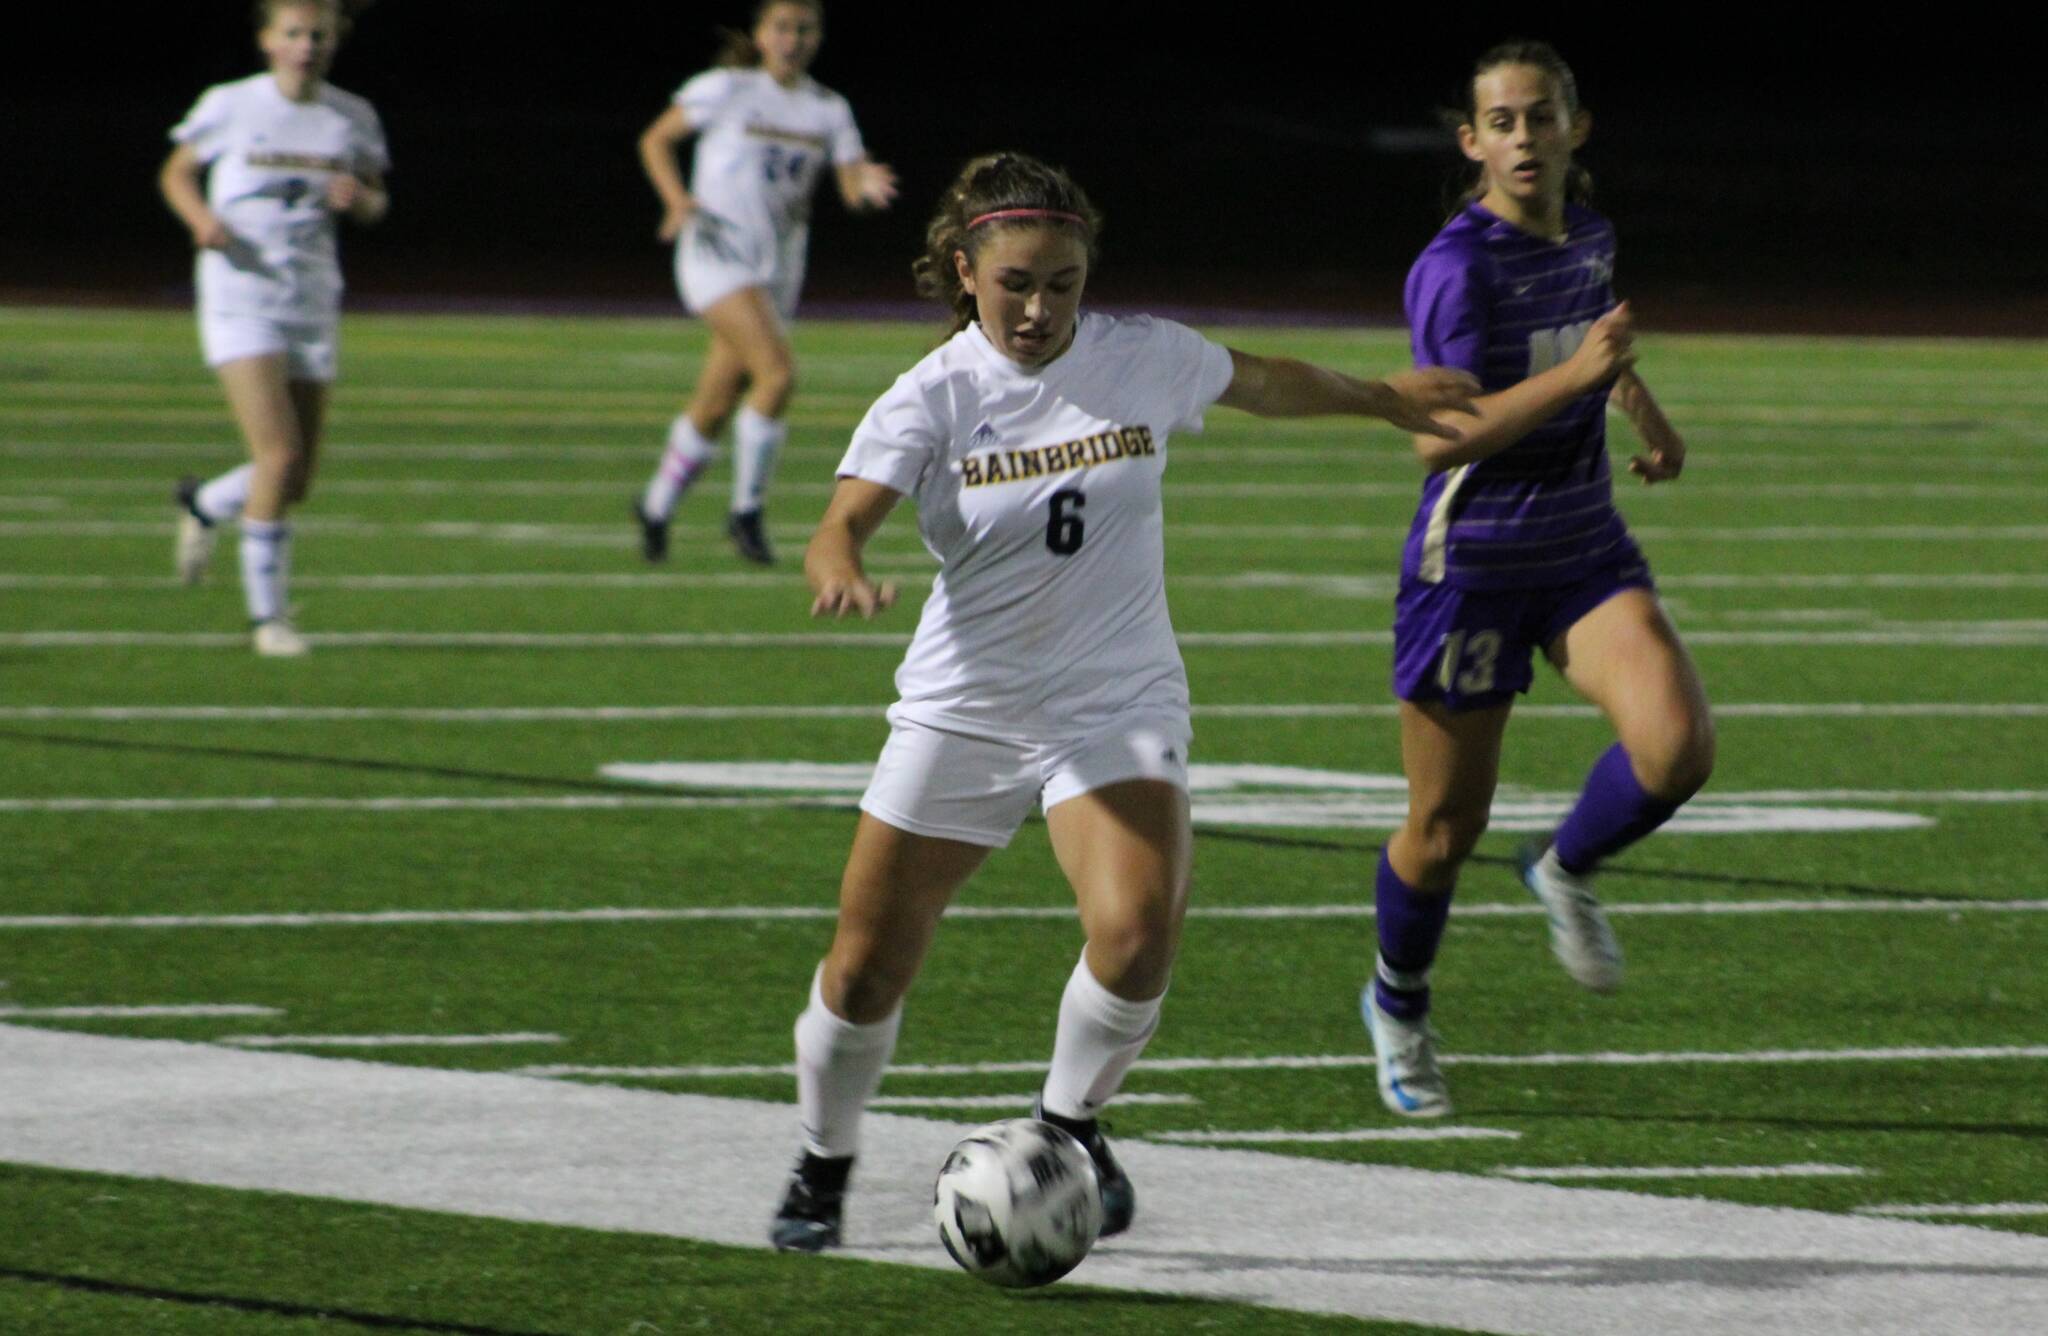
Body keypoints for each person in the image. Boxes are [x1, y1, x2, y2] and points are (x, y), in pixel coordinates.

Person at [768, 151, 1480, 1252]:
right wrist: (833, 558)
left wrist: (1383, 400)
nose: (1040, 305)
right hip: (968, 706)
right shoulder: (935, 394)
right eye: (1015, 283)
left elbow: (1265, 381)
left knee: (1138, 931)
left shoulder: (1139, 356)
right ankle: (822, 1161)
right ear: (964, 271)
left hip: (1115, 695)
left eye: (1062, 281)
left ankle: (1067, 1129)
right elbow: (843, 513)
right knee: (864, 965)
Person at [1361, 40, 1716, 1119]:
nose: (1524, 137)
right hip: (1468, 569)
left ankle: (1560, 865)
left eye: (1541, 117)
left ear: (1574, 128)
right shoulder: (1455, 267)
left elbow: (1597, 342)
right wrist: (1577, 376)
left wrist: (1642, 414)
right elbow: (1440, 437)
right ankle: (1399, 1005)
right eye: (1502, 122)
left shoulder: (1589, 234)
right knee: (1439, 829)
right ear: (1471, 142)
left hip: (1579, 548)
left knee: (1676, 747)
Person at [632, 0, 897, 566]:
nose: (793, 39)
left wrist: (864, 183)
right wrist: (678, 200)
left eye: (805, 29)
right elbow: (655, 140)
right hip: (717, 255)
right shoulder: (725, 88)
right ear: (759, 34)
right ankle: (746, 512)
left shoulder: (828, 109)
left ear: (818, 37)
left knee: (718, 399)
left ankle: (655, 507)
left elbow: (849, 184)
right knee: (777, 374)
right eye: (782, 27)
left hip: (777, 268)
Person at [162, 0, 389, 657]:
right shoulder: (231, 105)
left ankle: (206, 503)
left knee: (297, 479)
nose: (306, 45)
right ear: (267, 40)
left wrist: (362, 200)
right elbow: (177, 173)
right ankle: (268, 621)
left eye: (317, 35)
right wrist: (200, 219)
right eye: (293, 33)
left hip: (311, 300)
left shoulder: (352, 117)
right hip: (240, 297)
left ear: (334, 41)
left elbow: (376, 200)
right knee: (278, 456)